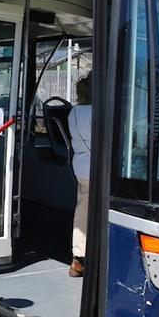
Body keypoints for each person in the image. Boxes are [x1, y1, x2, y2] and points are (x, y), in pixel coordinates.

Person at [67, 73, 93, 278]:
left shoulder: (74, 112)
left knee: (83, 208)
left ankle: (79, 257)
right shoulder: (98, 113)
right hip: (96, 168)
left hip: (80, 166)